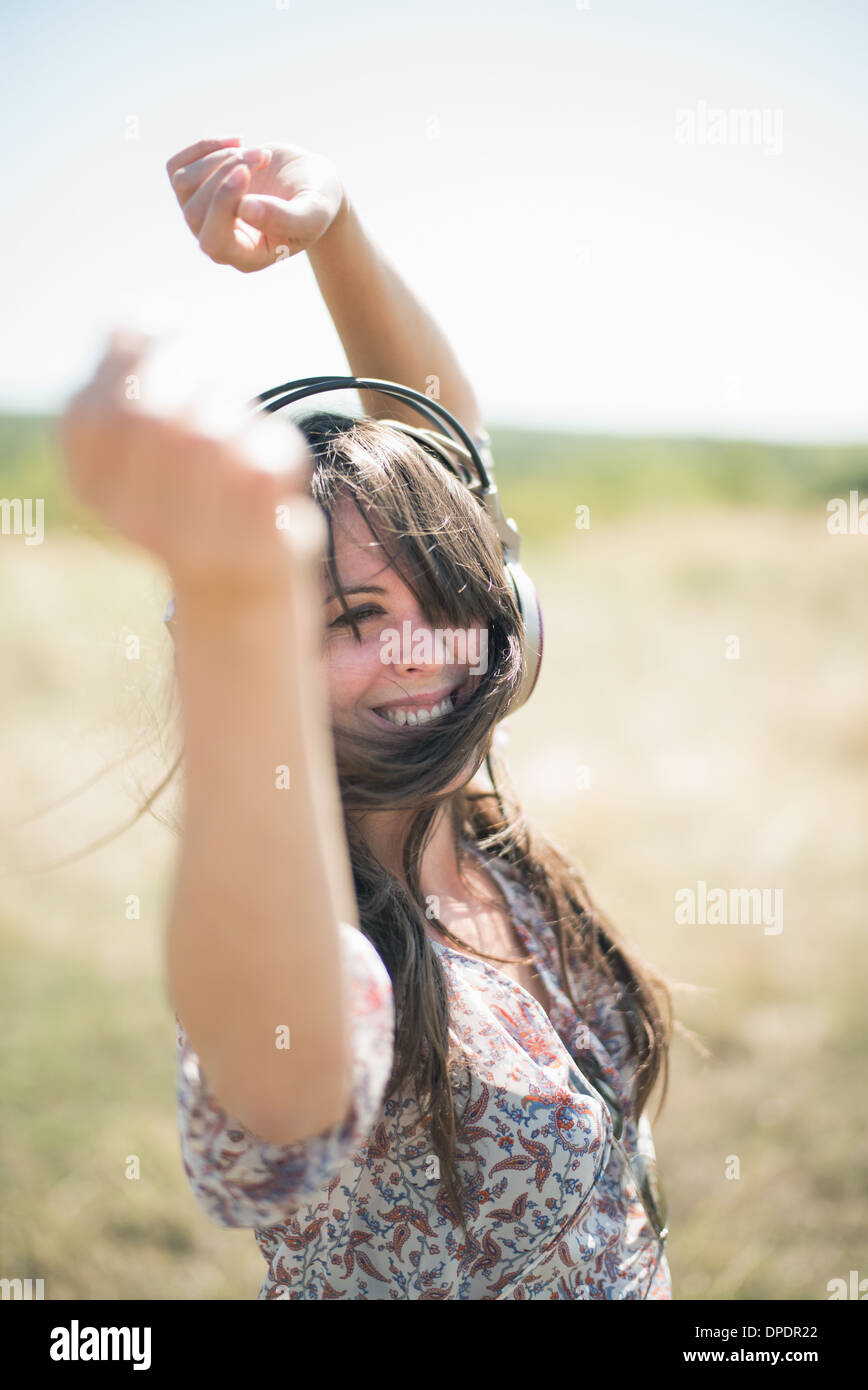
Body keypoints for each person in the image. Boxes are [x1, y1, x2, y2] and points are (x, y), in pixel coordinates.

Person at [61, 137, 675, 1300]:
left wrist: (332, 231)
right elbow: (280, 1096)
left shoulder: (484, 841)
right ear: (267, 677)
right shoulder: (308, 933)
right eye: (348, 617)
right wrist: (240, 594)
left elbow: (460, 466)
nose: (420, 650)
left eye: (442, 592)